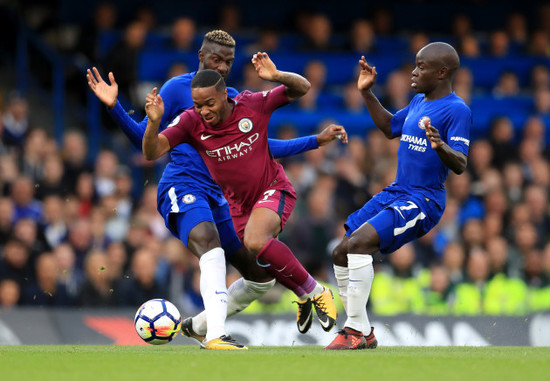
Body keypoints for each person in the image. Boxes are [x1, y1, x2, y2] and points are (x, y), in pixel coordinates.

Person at [86, 30, 343, 350]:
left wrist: (313, 141)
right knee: (211, 246)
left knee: (260, 278)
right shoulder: (178, 92)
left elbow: (260, 148)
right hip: (184, 184)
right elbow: (147, 143)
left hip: (222, 195)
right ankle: (216, 336)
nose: (222, 66)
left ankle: (202, 325)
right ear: (202, 57)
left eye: (228, 62)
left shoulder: (233, 99)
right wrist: (116, 108)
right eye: (216, 59)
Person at [326, 42, 471, 350]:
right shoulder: (419, 101)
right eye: (415, 66)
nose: (414, 73)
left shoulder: (457, 109)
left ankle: (352, 330)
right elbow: (390, 127)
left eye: (421, 67)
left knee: (361, 243)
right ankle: (363, 330)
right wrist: (366, 92)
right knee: (340, 252)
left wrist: (442, 146)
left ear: (442, 72)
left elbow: (460, 163)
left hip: (424, 199)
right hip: (398, 190)